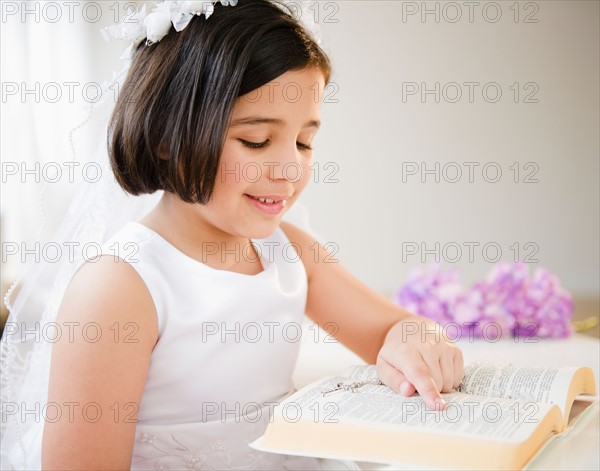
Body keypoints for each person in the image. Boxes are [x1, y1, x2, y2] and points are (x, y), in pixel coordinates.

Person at [2, 1, 464, 469]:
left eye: (305, 142)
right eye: (256, 141)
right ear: (167, 137)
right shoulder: (120, 285)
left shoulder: (288, 252)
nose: (290, 169)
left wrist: (414, 340)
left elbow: (389, 327)